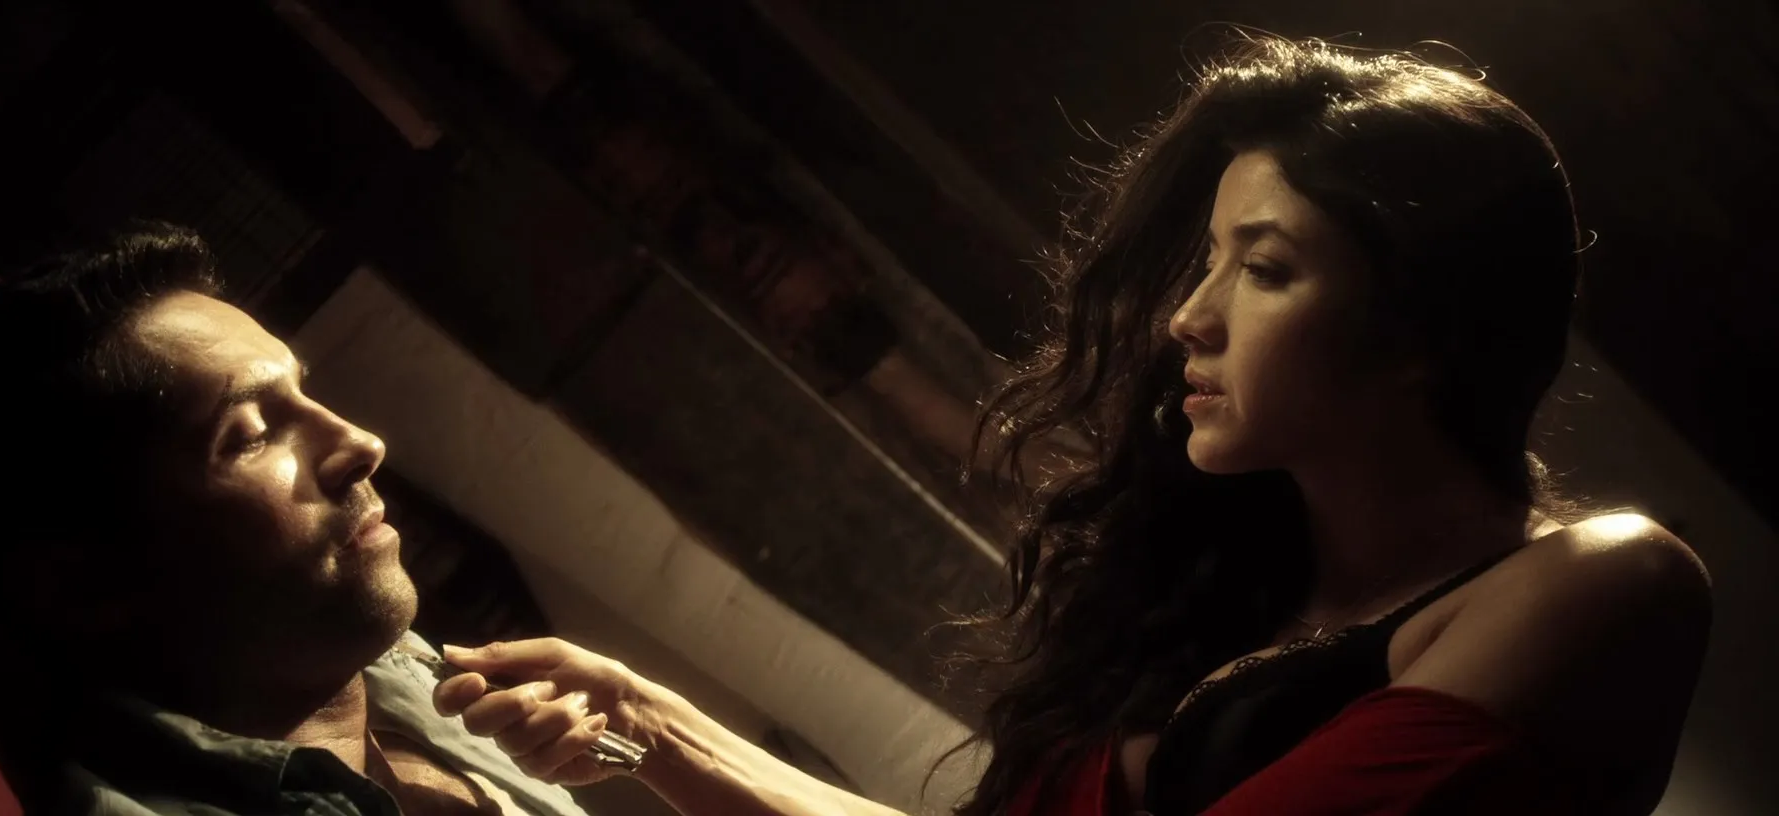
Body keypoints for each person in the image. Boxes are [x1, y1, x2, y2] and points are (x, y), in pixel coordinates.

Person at [420, 35, 1713, 816]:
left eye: (1264, 269)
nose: (1187, 318)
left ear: (1430, 320)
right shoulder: (1226, 593)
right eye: (1207, 262)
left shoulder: (1602, 586)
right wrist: (655, 725)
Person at [0, 223, 601, 816]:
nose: (362, 443)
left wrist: (652, 733)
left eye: (304, 392)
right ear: (83, 581)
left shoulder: (398, 671)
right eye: (250, 434)